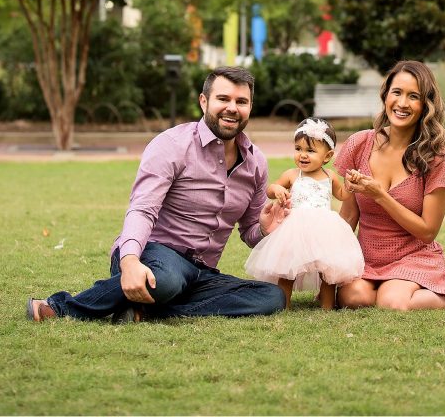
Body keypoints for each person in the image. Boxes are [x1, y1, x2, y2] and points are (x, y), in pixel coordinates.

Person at [27, 67, 287, 323]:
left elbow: (249, 231)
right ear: (204, 101)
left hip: (201, 273)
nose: (232, 108)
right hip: (154, 255)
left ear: (250, 107)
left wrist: (263, 229)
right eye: (223, 99)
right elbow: (143, 209)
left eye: (241, 101)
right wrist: (130, 261)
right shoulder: (172, 145)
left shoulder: (256, 163)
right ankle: (60, 307)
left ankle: (149, 309)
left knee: (271, 297)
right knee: (166, 279)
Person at [335, 60, 445, 311]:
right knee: (352, 298)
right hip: (368, 258)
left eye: (413, 96)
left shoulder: (436, 160)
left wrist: (380, 195)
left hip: (413, 257)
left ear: (425, 105)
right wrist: (331, 262)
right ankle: (438, 288)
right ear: (385, 96)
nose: (402, 103)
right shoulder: (359, 144)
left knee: (392, 302)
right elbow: (348, 215)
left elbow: (427, 231)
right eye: (397, 92)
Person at [244, 118, 364, 310]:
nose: (303, 155)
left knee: (328, 271)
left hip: (324, 229)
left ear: (327, 156)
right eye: (298, 149)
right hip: (295, 228)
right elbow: (270, 189)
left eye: (310, 150)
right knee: (287, 269)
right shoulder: (292, 174)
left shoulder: (330, 176)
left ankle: (327, 306)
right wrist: (277, 190)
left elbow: (342, 195)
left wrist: (350, 185)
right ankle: (284, 304)